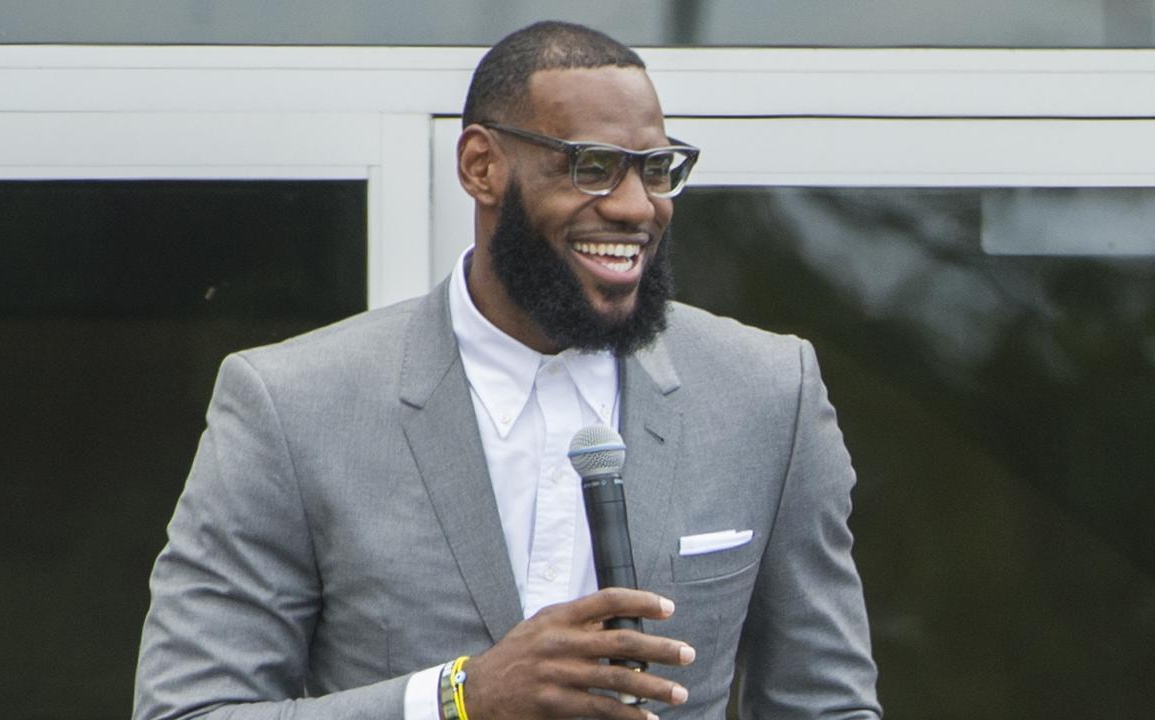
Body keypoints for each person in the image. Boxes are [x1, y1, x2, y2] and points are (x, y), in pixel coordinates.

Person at [133, 20, 881, 720]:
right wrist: (461, 697)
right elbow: (190, 709)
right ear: (481, 166)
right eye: (592, 167)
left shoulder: (768, 394)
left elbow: (827, 705)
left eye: (656, 170)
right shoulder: (292, 405)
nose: (635, 206)